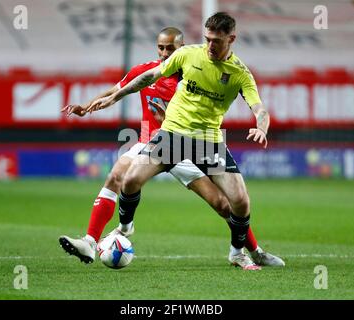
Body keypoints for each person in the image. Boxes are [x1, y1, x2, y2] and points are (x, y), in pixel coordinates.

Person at [60, 24, 284, 269]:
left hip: (197, 142)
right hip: (155, 139)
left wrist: (260, 126)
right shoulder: (147, 70)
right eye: (161, 48)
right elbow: (117, 90)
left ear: (181, 48)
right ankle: (91, 241)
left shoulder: (192, 70)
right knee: (118, 176)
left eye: (170, 48)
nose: (165, 53)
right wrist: (86, 106)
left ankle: (253, 250)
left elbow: (240, 105)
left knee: (224, 205)